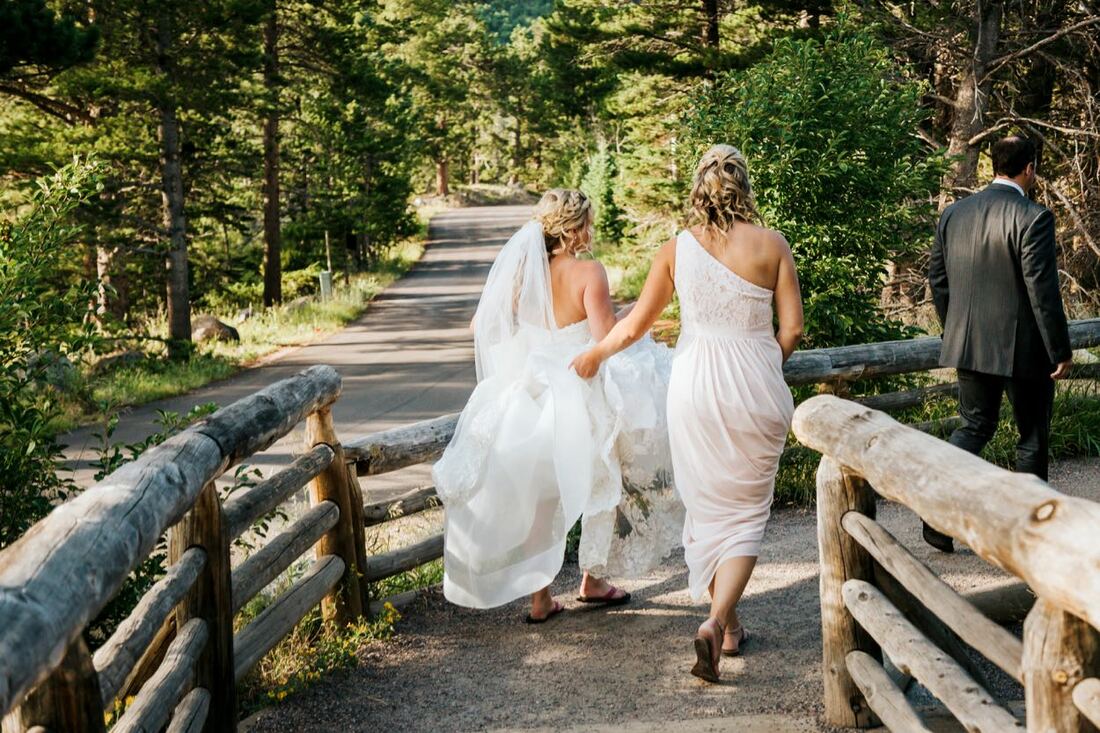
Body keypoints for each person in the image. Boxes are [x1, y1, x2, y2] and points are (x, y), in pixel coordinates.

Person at [572, 145, 803, 682]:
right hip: (755, 386)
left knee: (707, 509)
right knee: (746, 516)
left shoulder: (676, 249)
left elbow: (634, 325)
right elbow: (792, 328)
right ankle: (719, 621)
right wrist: (764, 366)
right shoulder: (772, 245)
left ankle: (727, 625)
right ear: (744, 186)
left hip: (694, 387)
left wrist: (594, 354)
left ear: (699, 190)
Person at [433, 189, 683, 623]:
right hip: (580, 389)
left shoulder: (523, 275)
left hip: (533, 397)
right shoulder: (589, 272)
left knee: (543, 499)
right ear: (572, 230)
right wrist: (632, 320)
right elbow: (604, 336)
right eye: (587, 223)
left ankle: (540, 599)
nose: (591, 230)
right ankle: (592, 580)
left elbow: (481, 324)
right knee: (606, 479)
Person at [925, 135, 1072, 553]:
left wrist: (956, 329)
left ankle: (934, 516)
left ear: (994, 165)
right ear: (1030, 168)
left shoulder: (954, 213)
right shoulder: (1033, 217)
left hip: (968, 345)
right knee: (1032, 437)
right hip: (1023, 352)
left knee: (974, 427)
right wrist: (1060, 350)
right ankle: (1030, 533)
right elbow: (1042, 291)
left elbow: (938, 279)